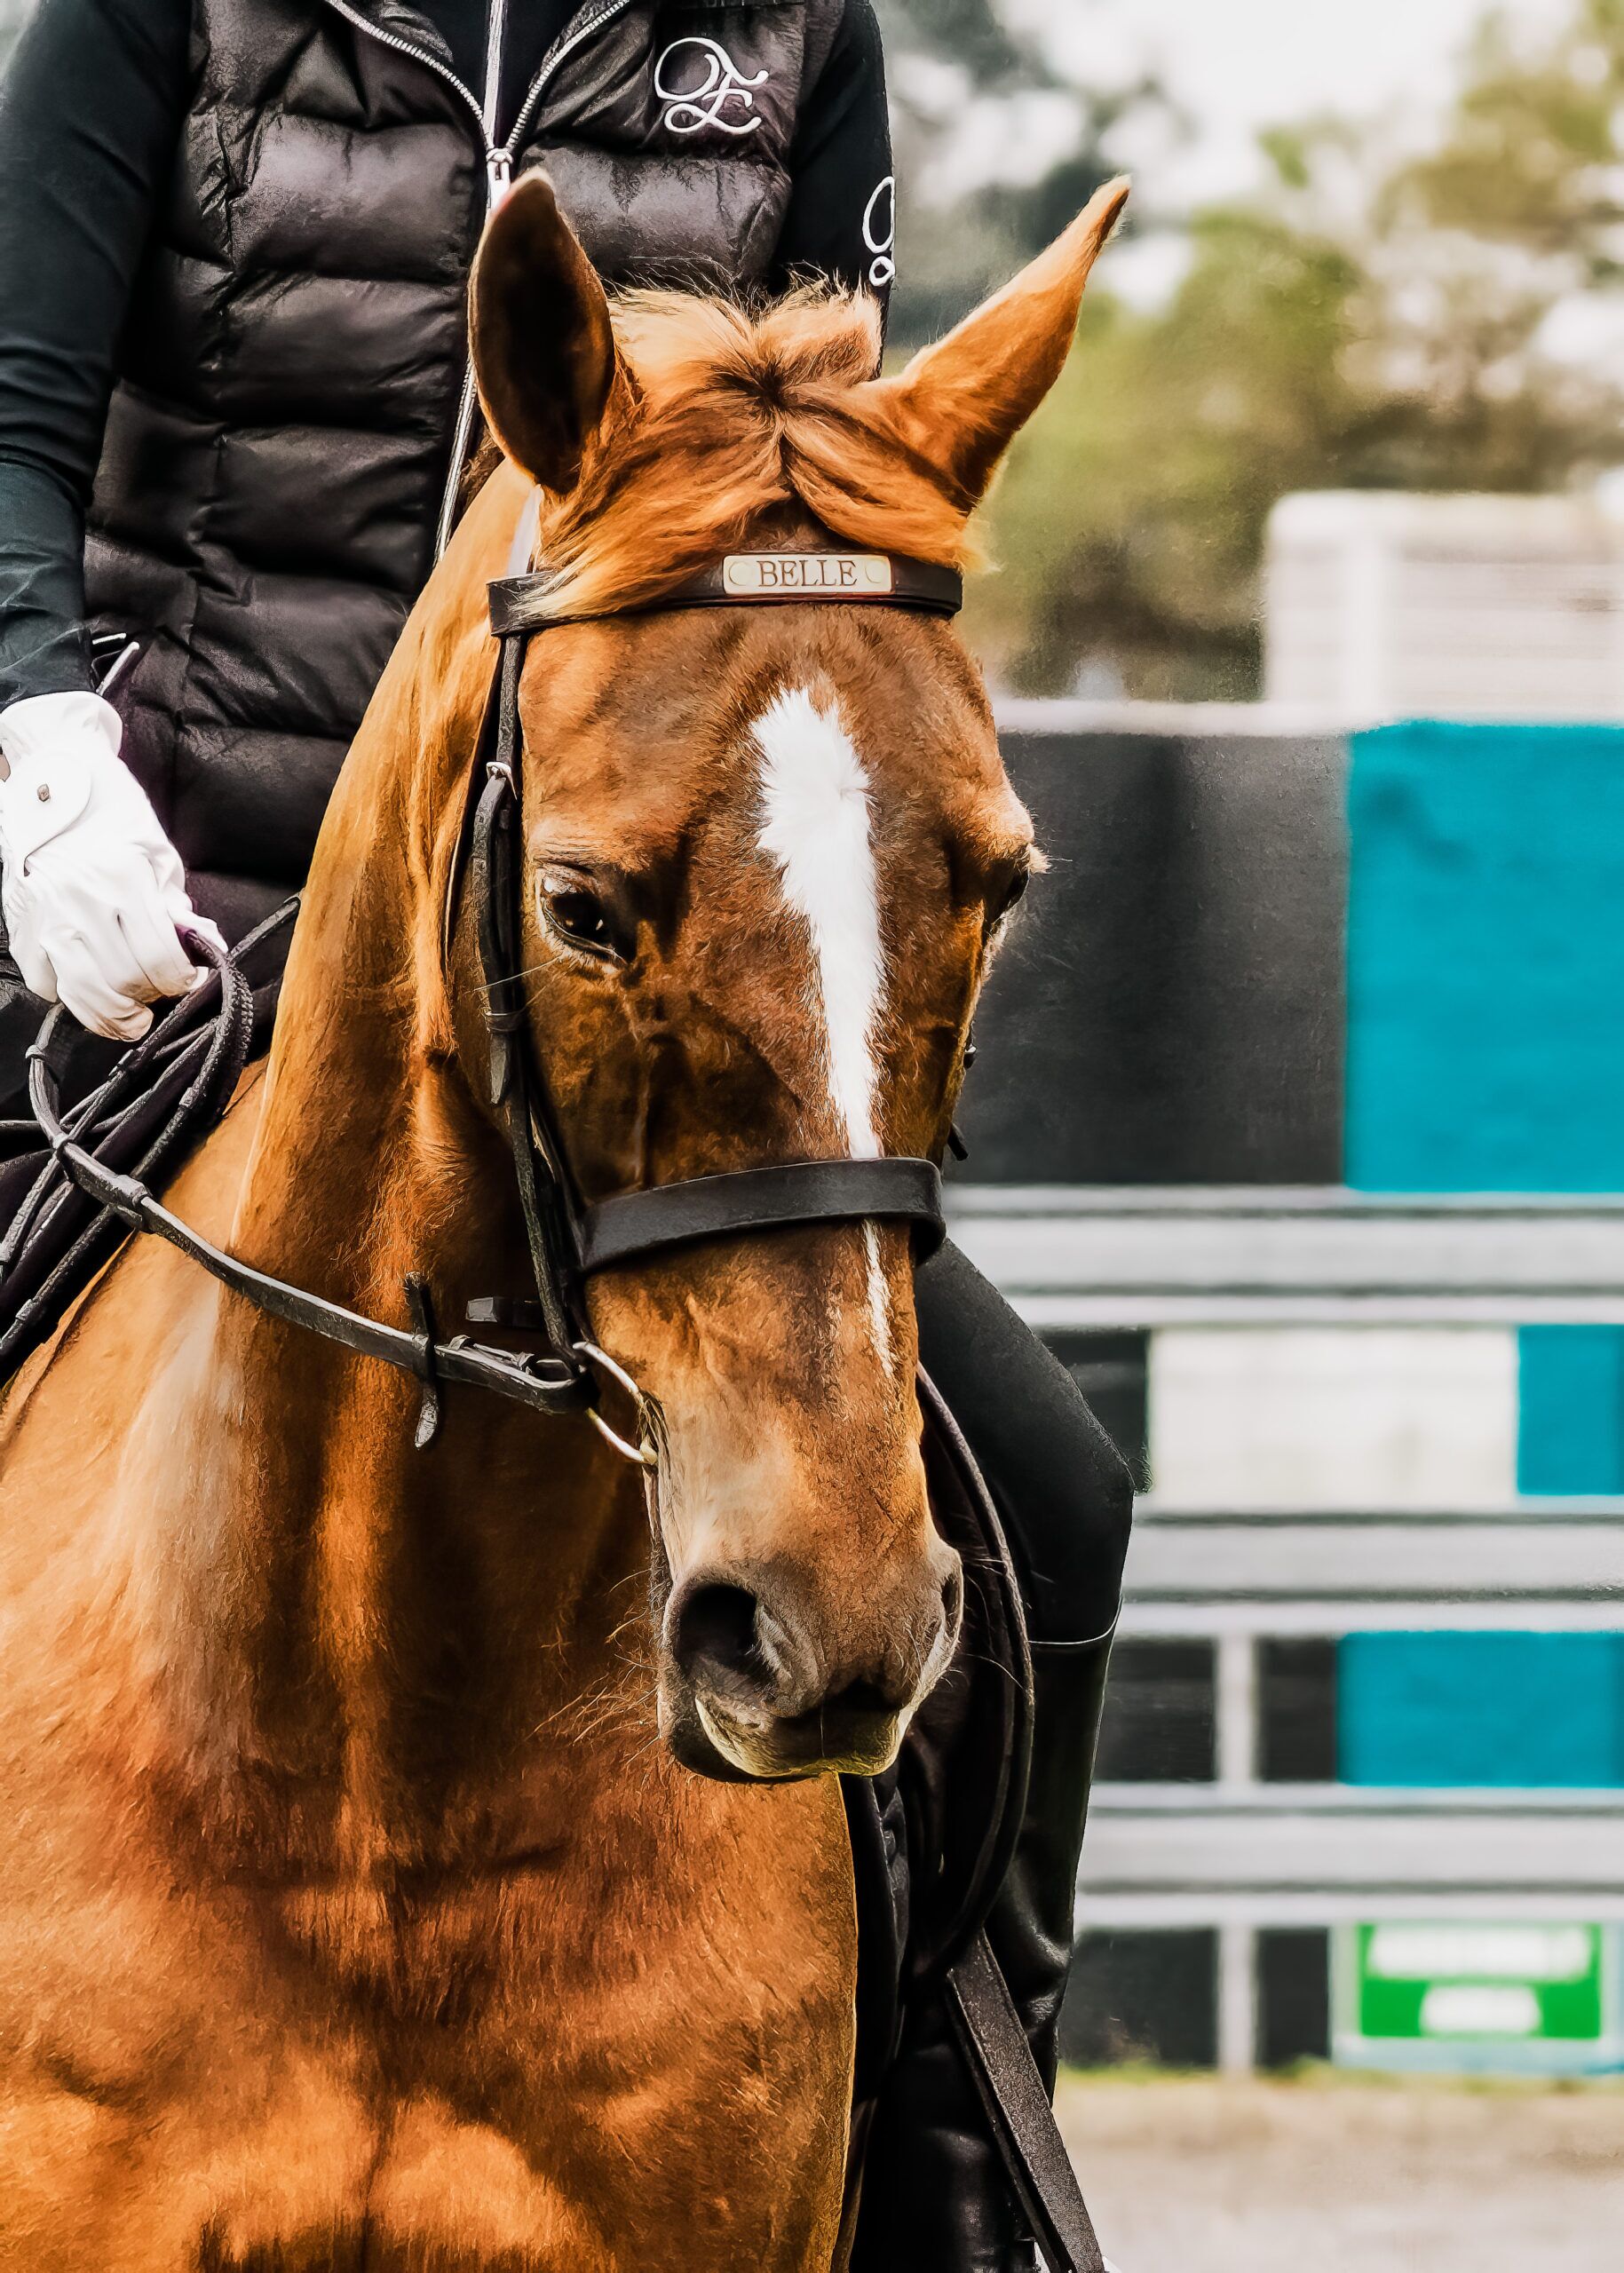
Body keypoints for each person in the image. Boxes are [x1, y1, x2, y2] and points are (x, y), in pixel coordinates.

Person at [0, 4, 1131, 2263]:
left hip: (625, 939)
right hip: (157, 897)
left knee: (1052, 1499)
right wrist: (38, 740)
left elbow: (821, 490)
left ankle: (942, 2155)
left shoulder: (796, 30)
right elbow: (10, 415)